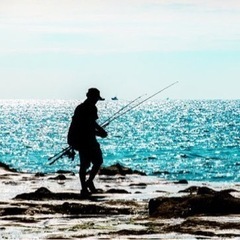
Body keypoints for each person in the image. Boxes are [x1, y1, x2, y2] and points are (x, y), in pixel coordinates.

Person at [67, 88, 107, 197]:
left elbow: (90, 125)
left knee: (95, 162)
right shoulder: (89, 108)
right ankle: (85, 187)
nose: (96, 101)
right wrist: (101, 132)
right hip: (84, 140)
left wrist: (99, 132)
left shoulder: (81, 108)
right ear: (90, 97)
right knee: (89, 163)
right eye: (95, 98)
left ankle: (87, 184)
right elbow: (89, 124)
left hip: (83, 139)